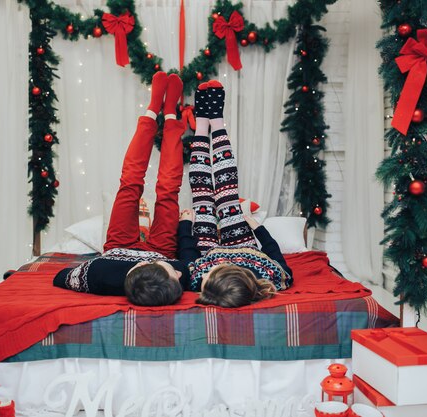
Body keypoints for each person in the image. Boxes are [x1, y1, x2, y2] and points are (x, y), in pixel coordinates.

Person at [54, 72, 190, 306]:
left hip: (119, 246)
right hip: (162, 251)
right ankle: (169, 115)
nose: (179, 274)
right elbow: (186, 266)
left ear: (139, 270)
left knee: (130, 184)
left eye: (173, 275)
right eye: (177, 277)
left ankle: (151, 110)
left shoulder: (100, 274)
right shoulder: (179, 272)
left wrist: (121, 279)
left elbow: (59, 278)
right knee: (168, 191)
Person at [176, 81, 293, 308]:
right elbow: (273, 251)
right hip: (243, 243)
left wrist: (185, 225)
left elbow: (187, 253)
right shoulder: (273, 277)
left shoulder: (198, 278)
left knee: (203, 195)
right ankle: (216, 121)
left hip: (206, 249)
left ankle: (202, 123)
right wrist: (257, 227)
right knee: (226, 193)